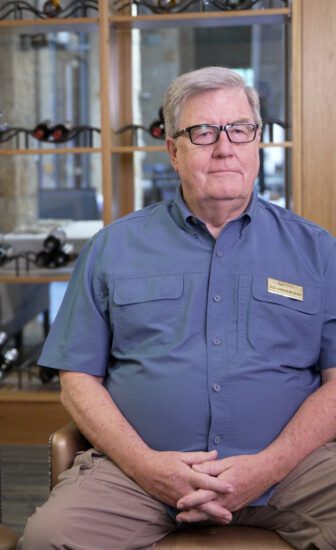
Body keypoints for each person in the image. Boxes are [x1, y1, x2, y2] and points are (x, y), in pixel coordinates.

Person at [19, 67, 336, 549]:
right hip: (141, 478)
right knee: (48, 538)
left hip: (289, 473)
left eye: (239, 129)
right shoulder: (112, 248)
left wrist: (267, 466)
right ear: (172, 149)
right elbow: (77, 382)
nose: (224, 147)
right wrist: (148, 467)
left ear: (257, 141)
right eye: (203, 132)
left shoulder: (317, 251)